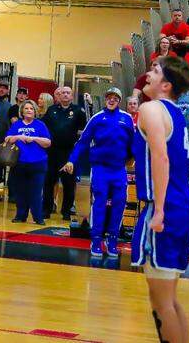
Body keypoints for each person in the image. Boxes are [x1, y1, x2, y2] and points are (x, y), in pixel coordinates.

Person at [131, 57, 189, 343]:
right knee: (169, 300)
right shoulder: (177, 114)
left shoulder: (151, 108)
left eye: (155, 71)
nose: (147, 74)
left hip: (166, 208)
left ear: (166, 85)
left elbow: (161, 156)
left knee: (161, 303)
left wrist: (158, 211)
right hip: (181, 207)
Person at [64, 87, 134, 259]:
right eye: (109, 97)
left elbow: (134, 144)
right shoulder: (96, 119)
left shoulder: (127, 118)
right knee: (99, 203)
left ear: (119, 100)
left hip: (119, 170)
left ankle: (112, 240)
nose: (112, 100)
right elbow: (82, 142)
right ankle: (96, 240)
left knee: (119, 203)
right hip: (100, 169)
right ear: (105, 99)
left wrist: (135, 158)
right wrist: (71, 160)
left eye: (115, 98)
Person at [42, 85, 88, 221]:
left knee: (68, 183)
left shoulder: (78, 111)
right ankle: (46, 209)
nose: (65, 95)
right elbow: (43, 127)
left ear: (72, 95)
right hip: (52, 151)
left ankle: (66, 211)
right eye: (63, 93)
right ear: (59, 96)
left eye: (68, 93)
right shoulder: (51, 110)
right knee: (49, 182)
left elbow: (84, 129)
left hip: (69, 152)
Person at [4, 99, 52, 224]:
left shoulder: (40, 125)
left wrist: (34, 138)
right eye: (26, 108)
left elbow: (48, 142)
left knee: (36, 192)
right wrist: (18, 137)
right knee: (20, 191)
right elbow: (7, 139)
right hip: (19, 162)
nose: (29, 110)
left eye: (31, 108)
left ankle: (38, 217)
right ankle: (20, 215)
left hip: (38, 162)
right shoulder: (17, 125)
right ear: (22, 111)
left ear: (35, 111)